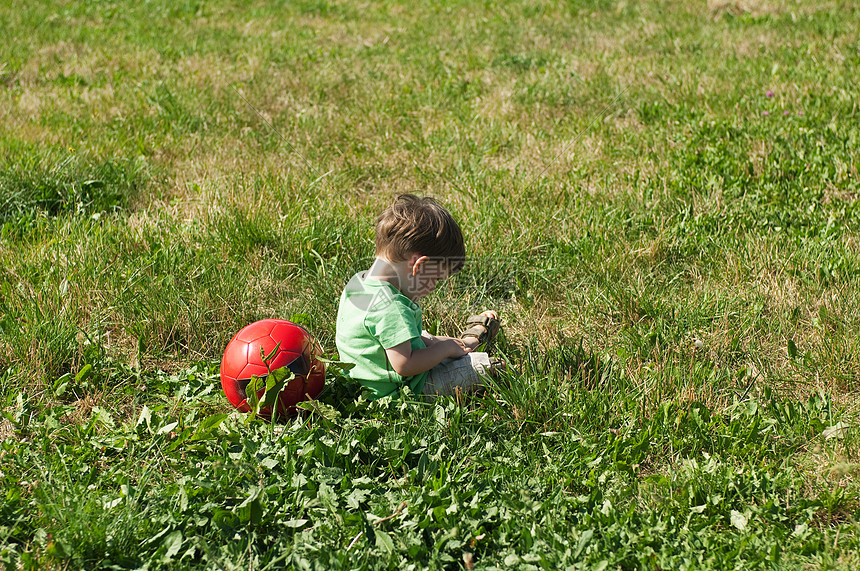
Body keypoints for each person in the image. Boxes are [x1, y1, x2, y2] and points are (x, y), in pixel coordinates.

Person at [336, 194, 503, 399]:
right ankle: (468, 346)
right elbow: (405, 365)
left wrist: (442, 347)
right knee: (485, 366)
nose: (432, 287)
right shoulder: (392, 308)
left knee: (426, 339)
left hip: (365, 379)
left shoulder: (359, 283)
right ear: (420, 266)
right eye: (436, 279)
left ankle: (464, 343)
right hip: (398, 391)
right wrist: (443, 351)